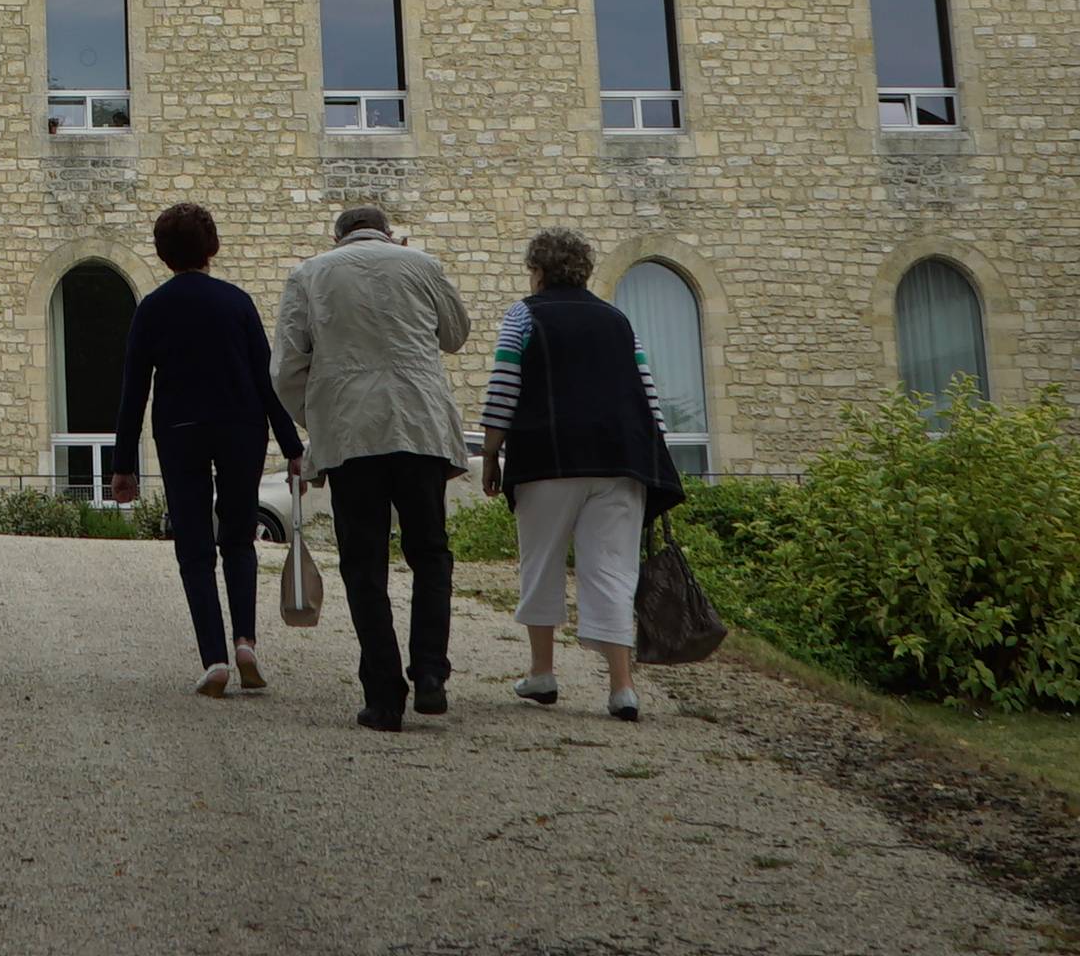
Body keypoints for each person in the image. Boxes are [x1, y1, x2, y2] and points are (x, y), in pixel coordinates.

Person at [271, 202, 472, 731]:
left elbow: (287, 366)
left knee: (364, 566)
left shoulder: (309, 275)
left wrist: (318, 417)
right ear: (387, 233)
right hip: (419, 425)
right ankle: (430, 671)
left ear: (337, 236)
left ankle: (384, 697)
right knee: (430, 553)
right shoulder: (422, 265)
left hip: (351, 434)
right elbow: (455, 334)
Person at [479, 226, 683, 725]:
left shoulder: (523, 315)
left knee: (541, 562)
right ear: (585, 271)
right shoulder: (618, 320)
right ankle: (622, 687)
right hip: (620, 460)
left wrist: (491, 453)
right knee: (613, 569)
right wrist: (654, 456)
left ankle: (542, 672)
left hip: (547, 458)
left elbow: (504, 385)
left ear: (538, 271)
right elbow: (647, 394)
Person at [103, 202, 308, 697]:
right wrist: (292, 447)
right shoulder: (237, 303)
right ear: (212, 247)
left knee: (194, 545)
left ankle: (214, 658)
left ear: (162, 254)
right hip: (241, 426)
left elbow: (134, 390)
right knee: (238, 538)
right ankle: (245, 642)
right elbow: (267, 380)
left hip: (180, 429)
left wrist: (123, 464)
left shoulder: (152, 309)